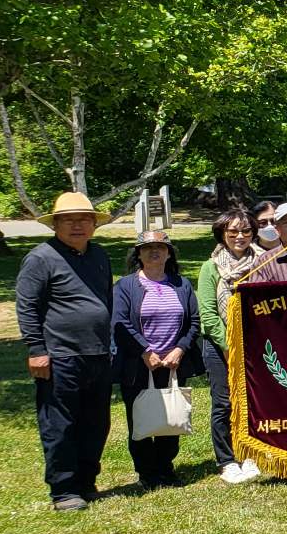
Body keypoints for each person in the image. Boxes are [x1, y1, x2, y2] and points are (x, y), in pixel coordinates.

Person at [109, 229, 198, 492]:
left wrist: (180, 349)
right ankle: (146, 472)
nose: (154, 252)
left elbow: (193, 321)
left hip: (172, 363)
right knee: (141, 418)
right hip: (139, 364)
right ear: (138, 254)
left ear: (169, 253)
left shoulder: (181, 284)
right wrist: (145, 351)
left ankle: (166, 469)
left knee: (171, 418)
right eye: (147, 248)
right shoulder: (125, 286)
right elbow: (120, 322)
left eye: (160, 247)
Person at [195, 208, 261, 485]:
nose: (240, 236)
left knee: (255, 402)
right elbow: (208, 313)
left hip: (257, 344)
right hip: (220, 345)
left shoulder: (263, 262)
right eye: (233, 231)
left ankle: (251, 453)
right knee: (224, 404)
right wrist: (228, 345)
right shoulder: (212, 267)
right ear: (222, 233)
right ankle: (227, 460)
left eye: (246, 231)